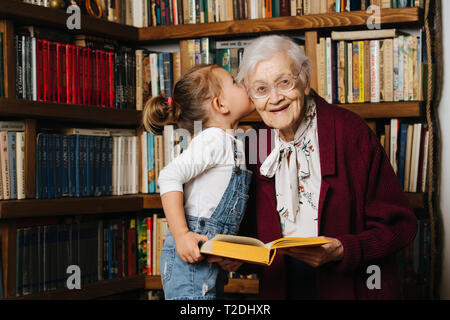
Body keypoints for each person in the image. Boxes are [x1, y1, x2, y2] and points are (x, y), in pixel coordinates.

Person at [211, 35, 418, 299]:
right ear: (251, 96)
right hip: (280, 287)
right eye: (261, 89)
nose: (274, 98)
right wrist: (239, 259)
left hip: (348, 287)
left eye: (284, 82)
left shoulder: (350, 131)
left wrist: (344, 249)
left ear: (305, 79)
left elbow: (400, 227)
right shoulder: (254, 144)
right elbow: (253, 236)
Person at [142, 64, 254, 300]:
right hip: (191, 254)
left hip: (210, 251)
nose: (243, 84)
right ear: (220, 105)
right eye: (234, 82)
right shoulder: (213, 139)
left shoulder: (231, 140)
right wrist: (182, 234)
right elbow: (169, 175)